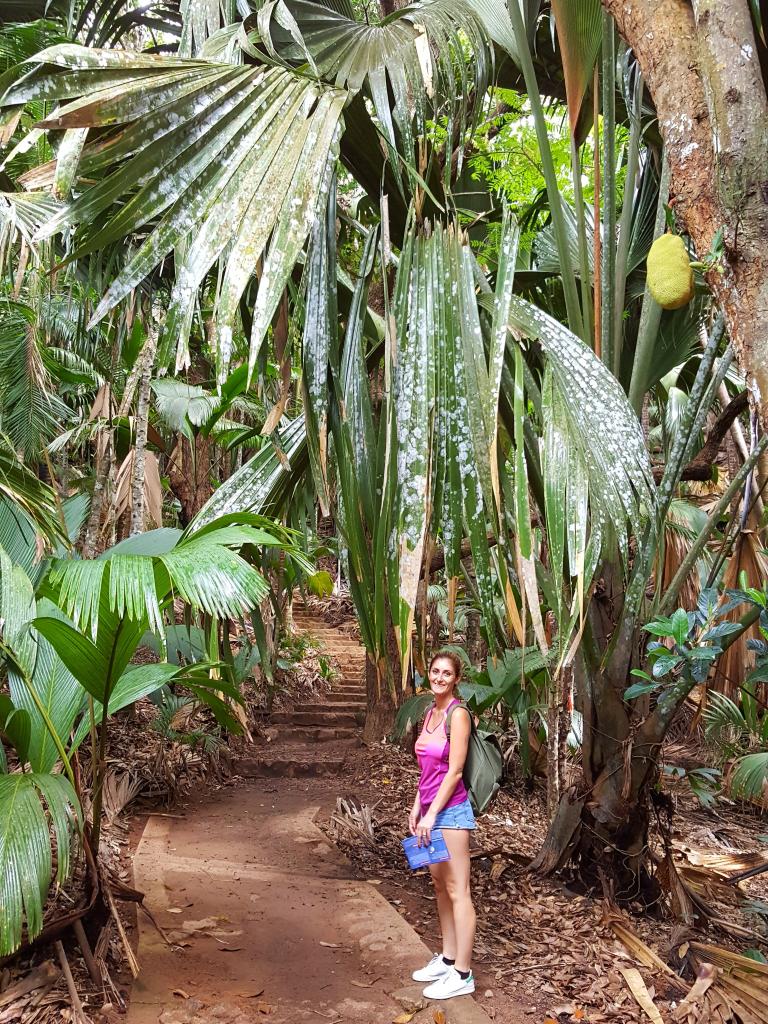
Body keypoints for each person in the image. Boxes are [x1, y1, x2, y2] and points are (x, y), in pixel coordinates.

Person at [409, 650, 476, 999]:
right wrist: (417, 806)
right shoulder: (430, 712)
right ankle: (448, 959)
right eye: (435, 671)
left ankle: (463, 974)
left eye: (446, 673)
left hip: (451, 813)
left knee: (457, 890)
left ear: (456, 678)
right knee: (439, 887)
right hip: (430, 811)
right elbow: (427, 770)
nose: (439, 677)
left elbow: (453, 771)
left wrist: (433, 813)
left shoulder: (458, 714)